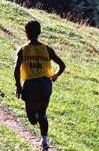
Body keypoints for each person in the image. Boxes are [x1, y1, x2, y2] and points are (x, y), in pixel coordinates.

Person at [14, 20, 66, 150]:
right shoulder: (47, 49)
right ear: (39, 32)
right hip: (45, 85)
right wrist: (55, 75)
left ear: (26, 34)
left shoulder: (23, 50)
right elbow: (62, 65)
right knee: (42, 113)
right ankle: (44, 142)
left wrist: (18, 86)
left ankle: (40, 126)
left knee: (32, 119)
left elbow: (16, 69)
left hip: (31, 85)